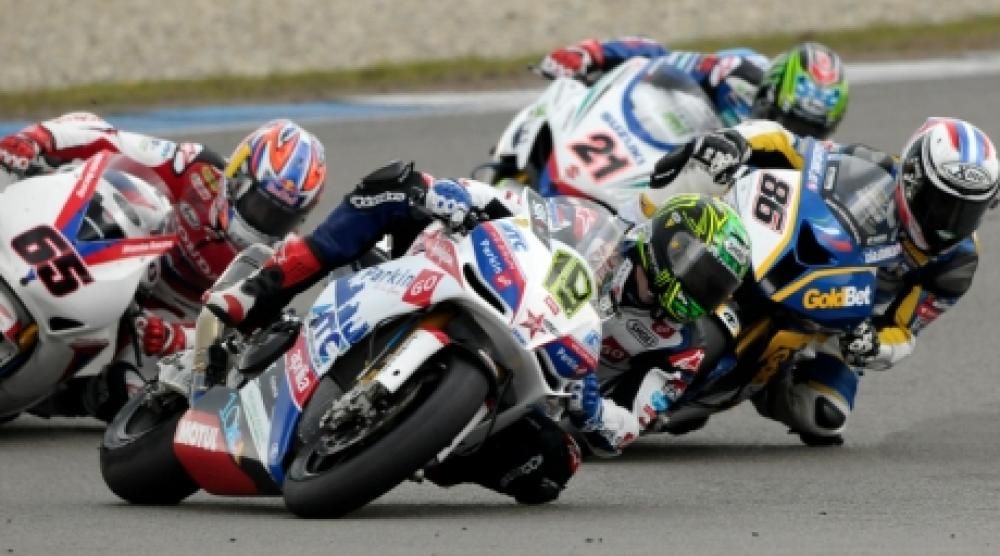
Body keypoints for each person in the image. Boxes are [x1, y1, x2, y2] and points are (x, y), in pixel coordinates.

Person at [203, 160, 753, 503]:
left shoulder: (680, 349)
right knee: (397, 186)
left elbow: (631, 426)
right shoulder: (601, 230)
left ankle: (417, 445)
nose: (698, 288)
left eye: (713, 286)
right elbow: (522, 209)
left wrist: (593, 408)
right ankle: (262, 289)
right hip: (495, 291)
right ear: (666, 241)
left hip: (542, 390)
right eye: (696, 268)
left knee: (552, 468)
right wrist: (458, 195)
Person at [632, 116, 999, 444]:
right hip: (796, 263)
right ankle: (633, 228)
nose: (949, 223)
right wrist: (737, 141)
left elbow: (905, 330)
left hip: (842, 326)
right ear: (913, 179)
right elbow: (785, 143)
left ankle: (767, 379)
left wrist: (874, 346)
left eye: (968, 211)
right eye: (941, 204)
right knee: (701, 179)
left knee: (823, 414)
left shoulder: (957, 263)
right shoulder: (870, 169)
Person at [0, 112, 327, 419]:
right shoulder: (197, 167)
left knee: (135, 395)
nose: (263, 222)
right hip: (131, 251)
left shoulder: (277, 257)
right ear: (238, 177)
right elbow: (114, 140)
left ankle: (64, 394)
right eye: (261, 206)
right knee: (81, 126)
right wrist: (40, 139)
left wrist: (175, 337)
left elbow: (245, 334)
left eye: (280, 217)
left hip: (168, 318)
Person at [537, 37, 849, 138]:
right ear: (769, 95)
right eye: (790, 122)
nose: (795, 135)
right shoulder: (735, 73)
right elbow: (661, 57)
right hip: (661, 139)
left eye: (810, 131)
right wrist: (593, 54)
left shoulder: (812, 158)